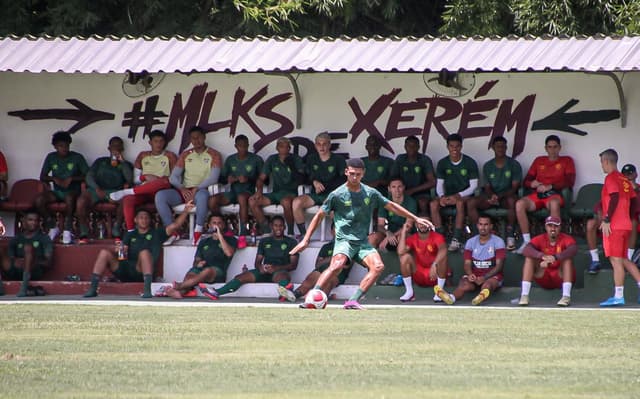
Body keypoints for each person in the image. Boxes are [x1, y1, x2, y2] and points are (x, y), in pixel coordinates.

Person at [290, 158, 433, 310]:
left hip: (362, 242)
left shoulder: (370, 193)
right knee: (337, 265)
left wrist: (416, 218)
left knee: (378, 267)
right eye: (351, 174)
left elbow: (391, 205)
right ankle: (313, 296)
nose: (354, 177)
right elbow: (319, 216)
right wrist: (306, 239)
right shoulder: (337, 194)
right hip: (344, 240)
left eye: (358, 174)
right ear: (346, 172)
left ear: (363, 174)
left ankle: (352, 301)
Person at [82, 202, 195, 298]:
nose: (144, 220)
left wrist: (185, 211)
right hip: (125, 268)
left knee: (144, 253)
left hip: (142, 271)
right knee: (104, 252)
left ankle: (147, 291)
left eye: (146, 218)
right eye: (141, 217)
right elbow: (122, 253)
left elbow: (175, 226)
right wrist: (117, 249)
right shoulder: (130, 235)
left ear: (150, 220)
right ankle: (93, 288)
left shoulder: (157, 233)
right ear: (135, 220)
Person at [198, 215, 298, 301]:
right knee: (240, 277)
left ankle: (285, 292)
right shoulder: (264, 241)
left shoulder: (291, 242)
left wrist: (276, 268)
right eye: (276, 225)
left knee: (283, 276)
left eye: (281, 225)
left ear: (284, 227)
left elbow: (293, 265)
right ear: (271, 226)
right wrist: (261, 268)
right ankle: (216, 292)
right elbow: (257, 262)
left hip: (279, 271)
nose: (278, 228)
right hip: (265, 270)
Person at [155, 126, 222, 246]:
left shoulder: (214, 154)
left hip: (202, 190)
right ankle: (172, 231)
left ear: (204, 137)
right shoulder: (186, 154)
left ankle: (198, 232)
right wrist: (182, 188)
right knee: (160, 196)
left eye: (198, 137)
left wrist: (198, 187)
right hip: (185, 190)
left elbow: (213, 178)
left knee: (202, 196)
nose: (196, 141)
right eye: (193, 138)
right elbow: (173, 177)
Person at [108, 130, 178, 233]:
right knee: (128, 199)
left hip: (162, 191)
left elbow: (174, 179)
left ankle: (127, 191)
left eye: (161, 141)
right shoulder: (143, 156)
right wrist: (145, 177)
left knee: (164, 181)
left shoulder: (170, 156)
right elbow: (135, 179)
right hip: (144, 190)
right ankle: (131, 232)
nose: (158, 144)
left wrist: (157, 180)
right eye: (155, 141)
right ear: (150, 142)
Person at [515, 135, 575, 253]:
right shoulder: (539, 160)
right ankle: (527, 242)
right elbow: (526, 180)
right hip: (538, 195)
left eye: (555, 147)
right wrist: (532, 183)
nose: (552, 150)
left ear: (559, 148)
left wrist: (551, 186)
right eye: (550, 147)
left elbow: (570, 181)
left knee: (553, 204)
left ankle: (555, 242)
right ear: (546, 148)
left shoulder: (567, 160)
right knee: (519, 204)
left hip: (554, 194)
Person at [597, 150, 640, 307]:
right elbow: (635, 201)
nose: (601, 165)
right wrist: (628, 216)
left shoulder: (611, 177)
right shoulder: (625, 179)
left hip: (614, 226)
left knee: (616, 261)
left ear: (607, 161)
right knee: (622, 259)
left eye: (602, 162)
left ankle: (618, 296)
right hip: (626, 225)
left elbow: (614, 197)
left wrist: (607, 219)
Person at [160, 213, 237, 298]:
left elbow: (229, 253)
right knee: (191, 273)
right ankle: (180, 293)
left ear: (223, 225)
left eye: (219, 223)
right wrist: (198, 263)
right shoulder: (204, 241)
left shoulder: (231, 239)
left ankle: (180, 286)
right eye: (214, 223)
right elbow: (196, 260)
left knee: (208, 271)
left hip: (218, 272)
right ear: (209, 225)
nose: (216, 226)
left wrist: (220, 236)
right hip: (201, 271)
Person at [433, 215, 506, 306]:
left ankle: (480, 297)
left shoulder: (498, 242)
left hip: (491, 276)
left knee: (487, 285)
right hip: (475, 275)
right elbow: (467, 264)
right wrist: (470, 274)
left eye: (486, 225)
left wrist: (485, 277)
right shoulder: (471, 242)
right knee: (464, 284)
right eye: (481, 224)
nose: (483, 227)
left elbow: (499, 266)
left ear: (491, 226)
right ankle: (451, 298)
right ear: (477, 225)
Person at [466, 136, 522, 249]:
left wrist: (499, 197)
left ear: (506, 148)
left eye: (503, 146)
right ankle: (479, 234)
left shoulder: (514, 164)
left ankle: (510, 236)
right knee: (471, 203)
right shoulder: (488, 165)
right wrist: (492, 196)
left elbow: (515, 187)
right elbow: (487, 186)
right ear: (493, 148)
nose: (500, 149)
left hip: (506, 197)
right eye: (498, 146)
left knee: (513, 202)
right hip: (491, 197)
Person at [75, 136, 133, 243]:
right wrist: (97, 188)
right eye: (113, 146)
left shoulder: (126, 164)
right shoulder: (100, 161)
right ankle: (84, 232)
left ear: (122, 149)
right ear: (109, 148)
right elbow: (89, 177)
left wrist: (122, 161)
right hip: (97, 190)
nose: (116, 148)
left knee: (126, 200)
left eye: (119, 146)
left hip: (115, 192)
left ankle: (116, 229)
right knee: (81, 201)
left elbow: (129, 179)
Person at [34, 131, 89, 244]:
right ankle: (53, 227)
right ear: (55, 146)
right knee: (39, 200)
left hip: (73, 192)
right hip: (57, 192)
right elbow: (42, 176)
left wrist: (72, 179)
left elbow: (88, 176)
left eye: (67, 146)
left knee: (69, 198)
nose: (64, 148)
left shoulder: (77, 157)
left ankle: (68, 230)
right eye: (61, 146)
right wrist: (54, 179)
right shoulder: (51, 157)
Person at [586, 163, 639, 274]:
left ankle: (628, 257)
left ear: (636, 174)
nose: (628, 177)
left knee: (632, 222)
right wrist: (604, 217)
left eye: (630, 174)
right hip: (612, 222)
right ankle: (595, 259)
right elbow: (600, 206)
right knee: (591, 223)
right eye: (626, 175)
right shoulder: (615, 185)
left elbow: (634, 205)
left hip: (628, 222)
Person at [430, 133, 479, 252]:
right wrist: (441, 197)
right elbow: (439, 184)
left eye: (457, 146)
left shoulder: (470, 162)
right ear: (447, 147)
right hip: (447, 195)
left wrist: (458, 195)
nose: (454, 149)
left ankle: (456, 239)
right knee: (433, 204)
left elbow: (474, 186)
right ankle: (439, 237)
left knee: (460, 203)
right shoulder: (443, 163)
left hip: (464, 195)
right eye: (451, 146)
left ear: (461, 146)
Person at [279, 224, 350, 306]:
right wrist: (332, 258)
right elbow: (318, 264)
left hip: (338, 273)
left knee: (329, 281)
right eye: (335, 230)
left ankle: (317, 300)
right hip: (322, 270)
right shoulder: (326, 247)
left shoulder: (347, 247)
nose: (337, 232)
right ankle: (294, 295)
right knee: (310, 278)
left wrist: (329, 260)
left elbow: (347, 265)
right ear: (331, 232)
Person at [292, 133, 346, 237]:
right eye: (319, 144)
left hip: (333, 195)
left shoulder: (338, 159)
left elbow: (343, 180)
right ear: (315, 145)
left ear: (329, 145)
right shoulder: (311, 158)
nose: (322, 147)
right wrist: (314, 182)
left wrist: (329, 191)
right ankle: (304, 235)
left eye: (324, 144)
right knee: (296, 202)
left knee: (334, 210)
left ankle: (337, 237)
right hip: (316, 194)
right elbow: (305, 177)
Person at [249, 137, 305, 236]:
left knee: (286, 202)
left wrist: (291, 165)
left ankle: (290, 232)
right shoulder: (272, 159)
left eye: (287, 147)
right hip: (276, 193)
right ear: (277, 148)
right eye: (281, 146)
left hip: (291, 193)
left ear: (289, 148)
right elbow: (261, 178)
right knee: (252, 200)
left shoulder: (295, 159)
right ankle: (266, 229)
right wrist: (259, 191)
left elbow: (302, 178)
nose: (284, 149)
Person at [209, 134, 263, 236]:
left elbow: (265, 180)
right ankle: (221, 228)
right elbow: (222, 179)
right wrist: (229, 179)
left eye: (245, 146)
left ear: (248, 145)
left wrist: (248, 179)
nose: (242, 148)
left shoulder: (256, 159)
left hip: (249, 192)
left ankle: (243, 231)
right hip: (232, 192)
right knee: (212, 200)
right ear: (235, 146)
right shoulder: (230, 159)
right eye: (240, 146)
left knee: (241, 197)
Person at [516, 216, 577, 307]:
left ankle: (566, 296)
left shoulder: (566, 238)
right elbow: (527, 249)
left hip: (560, 276)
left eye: (555, 226)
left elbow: (573, 249)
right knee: (529, 258)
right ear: (545, 227)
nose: (552, 228)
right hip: (544, 274)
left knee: (567, 260)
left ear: (560, 227)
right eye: (550, 226)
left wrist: (555, 257)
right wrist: (542, 256)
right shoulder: (540, 238)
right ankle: (524, 295)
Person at [0, 210, 53, 297]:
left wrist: (30, 261)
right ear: (24, 221)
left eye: (36, 220)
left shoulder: (44, 238)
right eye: (30, 220)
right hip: (15, 269)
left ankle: (24, 287)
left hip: (34, 271)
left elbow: (48, 263)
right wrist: (17, 261)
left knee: (28, 247)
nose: (33, 223)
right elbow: (10, 257)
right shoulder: (16, 238)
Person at [397, 218, 449, 302]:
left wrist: (434, 264)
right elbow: (400, 252)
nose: (423, 225)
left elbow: (443, 250)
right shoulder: (413, 238)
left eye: (425, 222)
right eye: (420, 223)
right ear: (416, 225)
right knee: (404, 257)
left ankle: (439, 293)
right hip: (419, 274)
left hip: (434, 274)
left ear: (430, 224)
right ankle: (409, 292)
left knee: (443, 257)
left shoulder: (437, 236)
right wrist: (403, 231)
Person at [390, 135, 435, 215]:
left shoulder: (425, 159)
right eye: (409, 146)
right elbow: (393, 179)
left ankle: (424, 224)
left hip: (421, 193)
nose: (411, 148)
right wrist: (400, 190)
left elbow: (432, 182)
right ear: (405, 147)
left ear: (418, 147)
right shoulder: (400, 159)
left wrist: (413, 190)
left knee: (423, 203)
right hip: (403, 191)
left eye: (414, 146)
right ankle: (399, 225)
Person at [369, 177, 417, 250]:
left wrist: (391, 236)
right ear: (389, 189)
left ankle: (403, 261)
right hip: (390, 232)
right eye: (393, 187)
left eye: (399, 187)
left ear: (404, 187)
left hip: (404, 233)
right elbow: (380, 225)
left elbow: (408, 226)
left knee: (401, 237)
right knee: (372, 238)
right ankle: (371, 261)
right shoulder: (385, 202)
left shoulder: (411, 202)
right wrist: (388, 233)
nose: (397, 190)